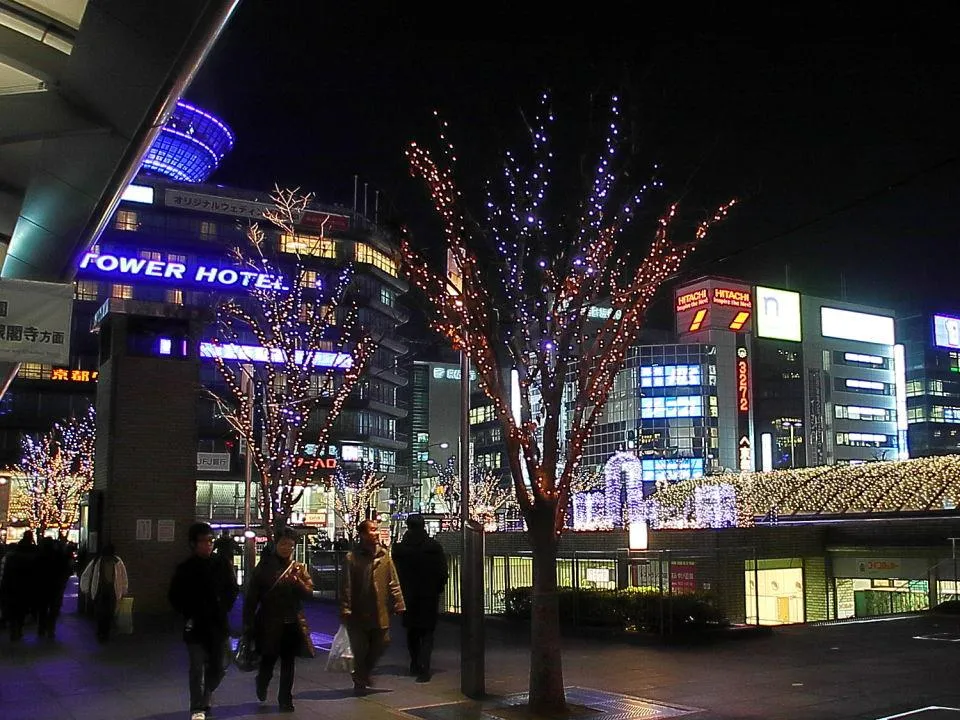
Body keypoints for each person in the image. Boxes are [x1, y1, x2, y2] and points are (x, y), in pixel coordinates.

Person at [169, 523, 239, 720]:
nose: (207, 545)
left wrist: (223, 606)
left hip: (218, 624)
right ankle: (197, 707)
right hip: (196, 626)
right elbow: (175, 596)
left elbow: (232, 589)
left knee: (221, 665)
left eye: (210, 541)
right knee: (197, 667)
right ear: (193, 544)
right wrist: (189, 613)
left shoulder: (221, 564)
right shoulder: (185, 569)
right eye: (203, 541)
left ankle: (207, 693)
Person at [243, 528, 314, 713]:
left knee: (288, 662)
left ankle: (285, 699)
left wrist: (297, 582)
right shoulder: (264, 568)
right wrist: (248, 622)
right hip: (269, 623)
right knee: (268, 659)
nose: (287, 548)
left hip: (292, 623)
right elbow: (252, 597)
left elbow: (309, 593)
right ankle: (262, 681)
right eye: (283, 544)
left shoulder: (298, 568)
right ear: (276, 544)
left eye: (290, 545)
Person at [340, 519, 405, 695]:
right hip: (358, 612)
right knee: (360, 649)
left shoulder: (384, 556)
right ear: (362, 534)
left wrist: (399, 603)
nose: (375, 533)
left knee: (382, 642)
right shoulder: (351, 558)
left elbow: (393, 582)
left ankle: (362, 673)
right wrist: (346, 607)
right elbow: (346, 585)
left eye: (376, 529)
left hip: (380, 610)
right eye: (371, 530)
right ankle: (361, 678)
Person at [392, 514, 448, 682]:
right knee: (428, 632)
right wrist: (438, 588)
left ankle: (415, 662)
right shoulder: (434, 547)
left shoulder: (400, 550)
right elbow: (442, 572)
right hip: (429, 595)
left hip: (408, 595)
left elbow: (394, 574)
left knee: (412, 632)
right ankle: (425, 666)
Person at [79, 542, 128, 642]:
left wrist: (123, 590)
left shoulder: (117, 562)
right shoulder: (97, 561)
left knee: (109, 613)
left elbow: (123, 577)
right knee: (101, 613)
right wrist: (86, 589)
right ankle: (102, 632)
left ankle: (104, 632)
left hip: (112, 591)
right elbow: (87, 575)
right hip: (100, 591)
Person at [0, 531, 38, 641]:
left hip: (12, 585)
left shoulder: (12, 555)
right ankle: (19, 628)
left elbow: (6, 573)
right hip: (25, 585)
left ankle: (13, 629)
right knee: (22, 608)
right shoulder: (33, 553)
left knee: (12, 608)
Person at [34, 536, 72, 639]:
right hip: (55, 586)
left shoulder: (38, 556)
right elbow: (66, 570)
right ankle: (51, 628)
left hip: (41, 586)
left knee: (42, 608)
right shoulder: (59, 556)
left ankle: (41, 628)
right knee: (53, 608)